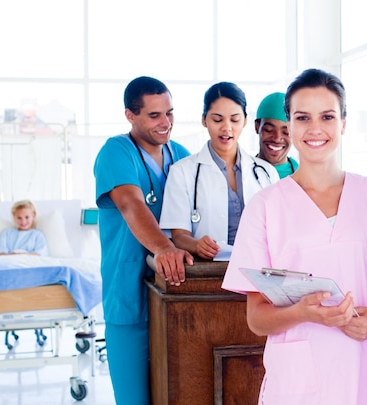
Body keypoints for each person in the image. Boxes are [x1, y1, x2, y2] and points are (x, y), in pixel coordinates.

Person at [221, 68, 367, 404]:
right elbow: (256, 318)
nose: (316, 129)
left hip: (364, 373)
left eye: (328, 116)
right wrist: (304, 312)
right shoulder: (265, 207)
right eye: (303, 117)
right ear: (290, 124)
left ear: (343, 123)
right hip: (296, 383)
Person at [93, 76, 193, 405]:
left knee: (179, 393)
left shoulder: (181, 155)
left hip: (177, 295)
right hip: (129, 295)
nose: (165, 123)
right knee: (135, 399)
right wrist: (164, 247)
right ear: (130, 115)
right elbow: (130, 203)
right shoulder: (116, 152)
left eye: (170, 113)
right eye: (154, 115)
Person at [159, 82, 278, 260]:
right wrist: (197, 245)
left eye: (235, 119)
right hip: (209, 271)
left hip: (258, 268)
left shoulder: (266, 173)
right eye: (217, 119)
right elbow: (179, 235)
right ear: (204, 120)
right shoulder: (182, 172)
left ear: (245, 121)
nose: (226, 127)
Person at [254, 92, 298, 178]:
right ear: (257, 127)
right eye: (269, 130)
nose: (277, 138)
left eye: (286, 132)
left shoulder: (304, 177)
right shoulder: (242, 174)